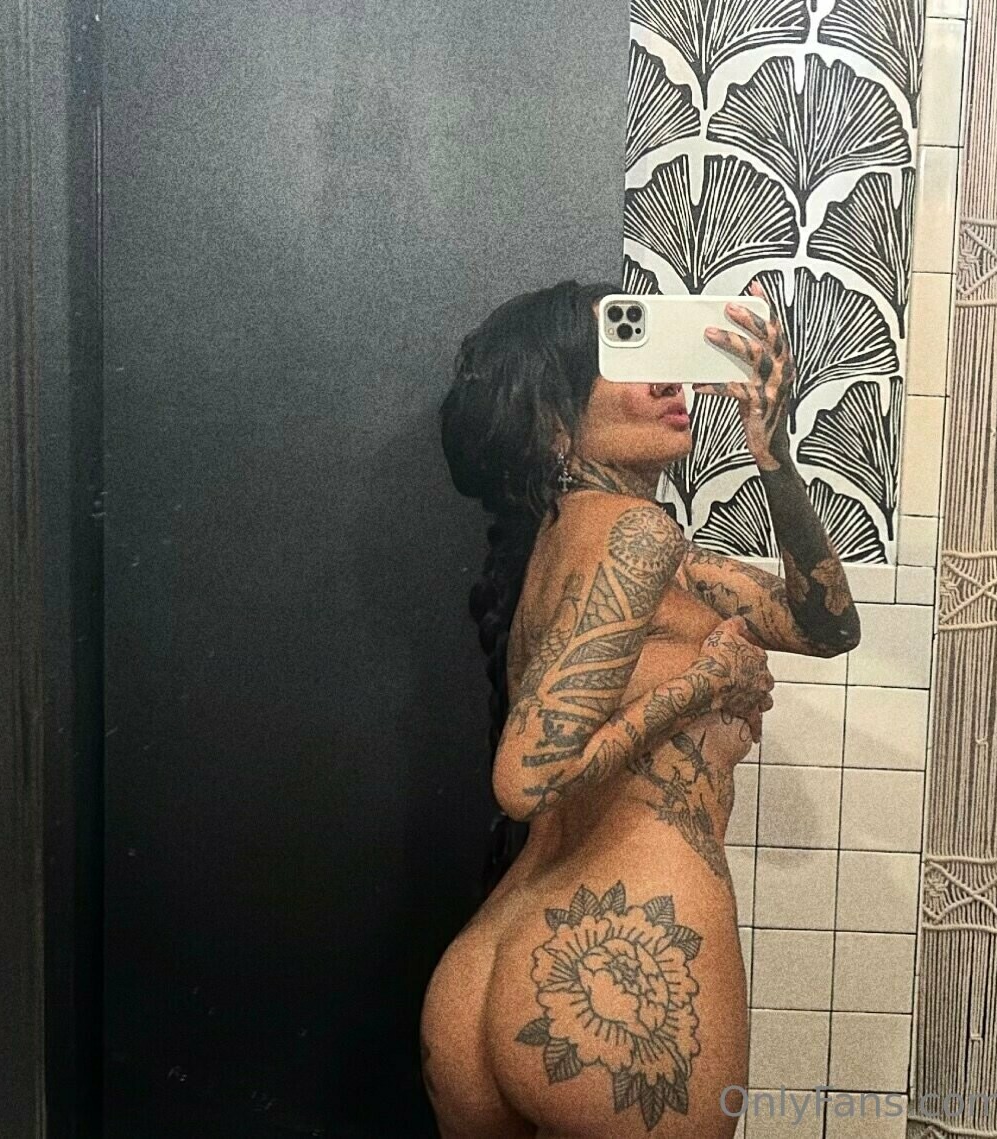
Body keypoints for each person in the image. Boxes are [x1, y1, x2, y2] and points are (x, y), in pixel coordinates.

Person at [423, 277, 860, 1137]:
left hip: (489, 958)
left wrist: (771, 453)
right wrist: (703, 685)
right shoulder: (634, 534)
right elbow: (525, 779)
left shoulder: (598, 547)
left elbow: (825, 624)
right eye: (623, 359)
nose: (668, 380)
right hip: (620, 952)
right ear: (552, 422)